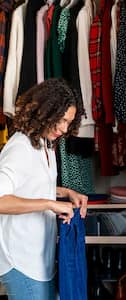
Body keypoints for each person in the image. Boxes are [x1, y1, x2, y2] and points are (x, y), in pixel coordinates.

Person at [0, 78, 88, 299]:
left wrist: (66, 193)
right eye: (61, 120)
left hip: (39, 259)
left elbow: (32, 184)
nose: (64, 128)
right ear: (44, 111)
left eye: (69, 122)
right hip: (20, 260)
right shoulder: (20, 147)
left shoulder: (44, 144)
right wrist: (50, 204)